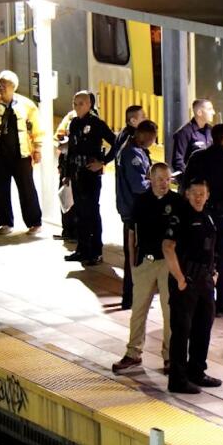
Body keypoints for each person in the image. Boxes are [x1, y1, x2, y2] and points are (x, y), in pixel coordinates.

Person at [113, 162, 177, 373]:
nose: (164, 184)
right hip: (145, 262)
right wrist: (132, 264)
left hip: (168, 264)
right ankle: (133, 353)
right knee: (138, 310)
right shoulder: (140, 202)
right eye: (160, 179)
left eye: (167, 179)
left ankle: (170, 356)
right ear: (151, 179)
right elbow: (131, 234)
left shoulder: (176, 202)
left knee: (170, 312)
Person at [181, 123, 223, 314]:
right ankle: (222, 303)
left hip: (200, 215)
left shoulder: (197, 157)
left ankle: (200, 297)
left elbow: (185, 184)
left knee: (200, 255)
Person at [163, 178, 222, 394]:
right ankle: (177, 380)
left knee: (203, 326)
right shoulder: (181, 216)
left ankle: (197, 371)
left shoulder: (208, 216)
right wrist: (179, 278)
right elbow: (168, 247)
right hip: (186, 281)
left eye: (202, 193)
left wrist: (214, 272)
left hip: (205, 281)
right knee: (181, 331)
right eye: (194, 193)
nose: (198, 197)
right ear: (187, 194)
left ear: (207, 195)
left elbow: (211, 247)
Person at [0, 70, 44, 235]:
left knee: (27, 188)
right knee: (0, 189)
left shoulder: (27, 105)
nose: (0, 87)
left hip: (21, 154)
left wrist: (37, 149)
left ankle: (34, 222)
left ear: (13, 86)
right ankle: (5, 222)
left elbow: (37, 129)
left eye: (4, 84)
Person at [63, 91, 121, 266]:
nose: (77, 107)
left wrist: (103, 162)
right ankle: (82, 249)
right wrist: (66, 173)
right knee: (80, 212)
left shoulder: (96, 123)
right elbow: (71, 149)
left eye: (81, 103)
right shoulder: (73, 123)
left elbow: (115, 142)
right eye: (75, 103)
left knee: (92, 212)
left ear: (89, 105)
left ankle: (96, 251)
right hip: (76, 172)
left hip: (90, 174)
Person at [115, 116, 156, 309]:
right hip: (134, 212)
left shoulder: (137, 150)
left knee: (137, 254)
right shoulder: (132, 154)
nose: (153, 143)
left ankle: (135, 295)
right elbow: (139, 185)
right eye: (151, 139)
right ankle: (131, 297)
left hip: (135, 211)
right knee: (134, 255)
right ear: (143, 136)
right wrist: (156, 182)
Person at [168, 98, 215, 183]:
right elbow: (178, 161)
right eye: (209, 109)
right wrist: (190, 178)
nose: (213, 112)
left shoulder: (211, 131)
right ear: (199, 112)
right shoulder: (184, 133)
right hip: (191, 183)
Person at [54, 108, 78, 243]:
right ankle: (67, 230)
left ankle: (75, 232)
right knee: (64, 199)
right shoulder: (70, 116)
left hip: (77, 169)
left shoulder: (92, 121)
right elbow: (58, 137)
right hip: (65, 165)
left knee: (75, 202)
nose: (76, 107)